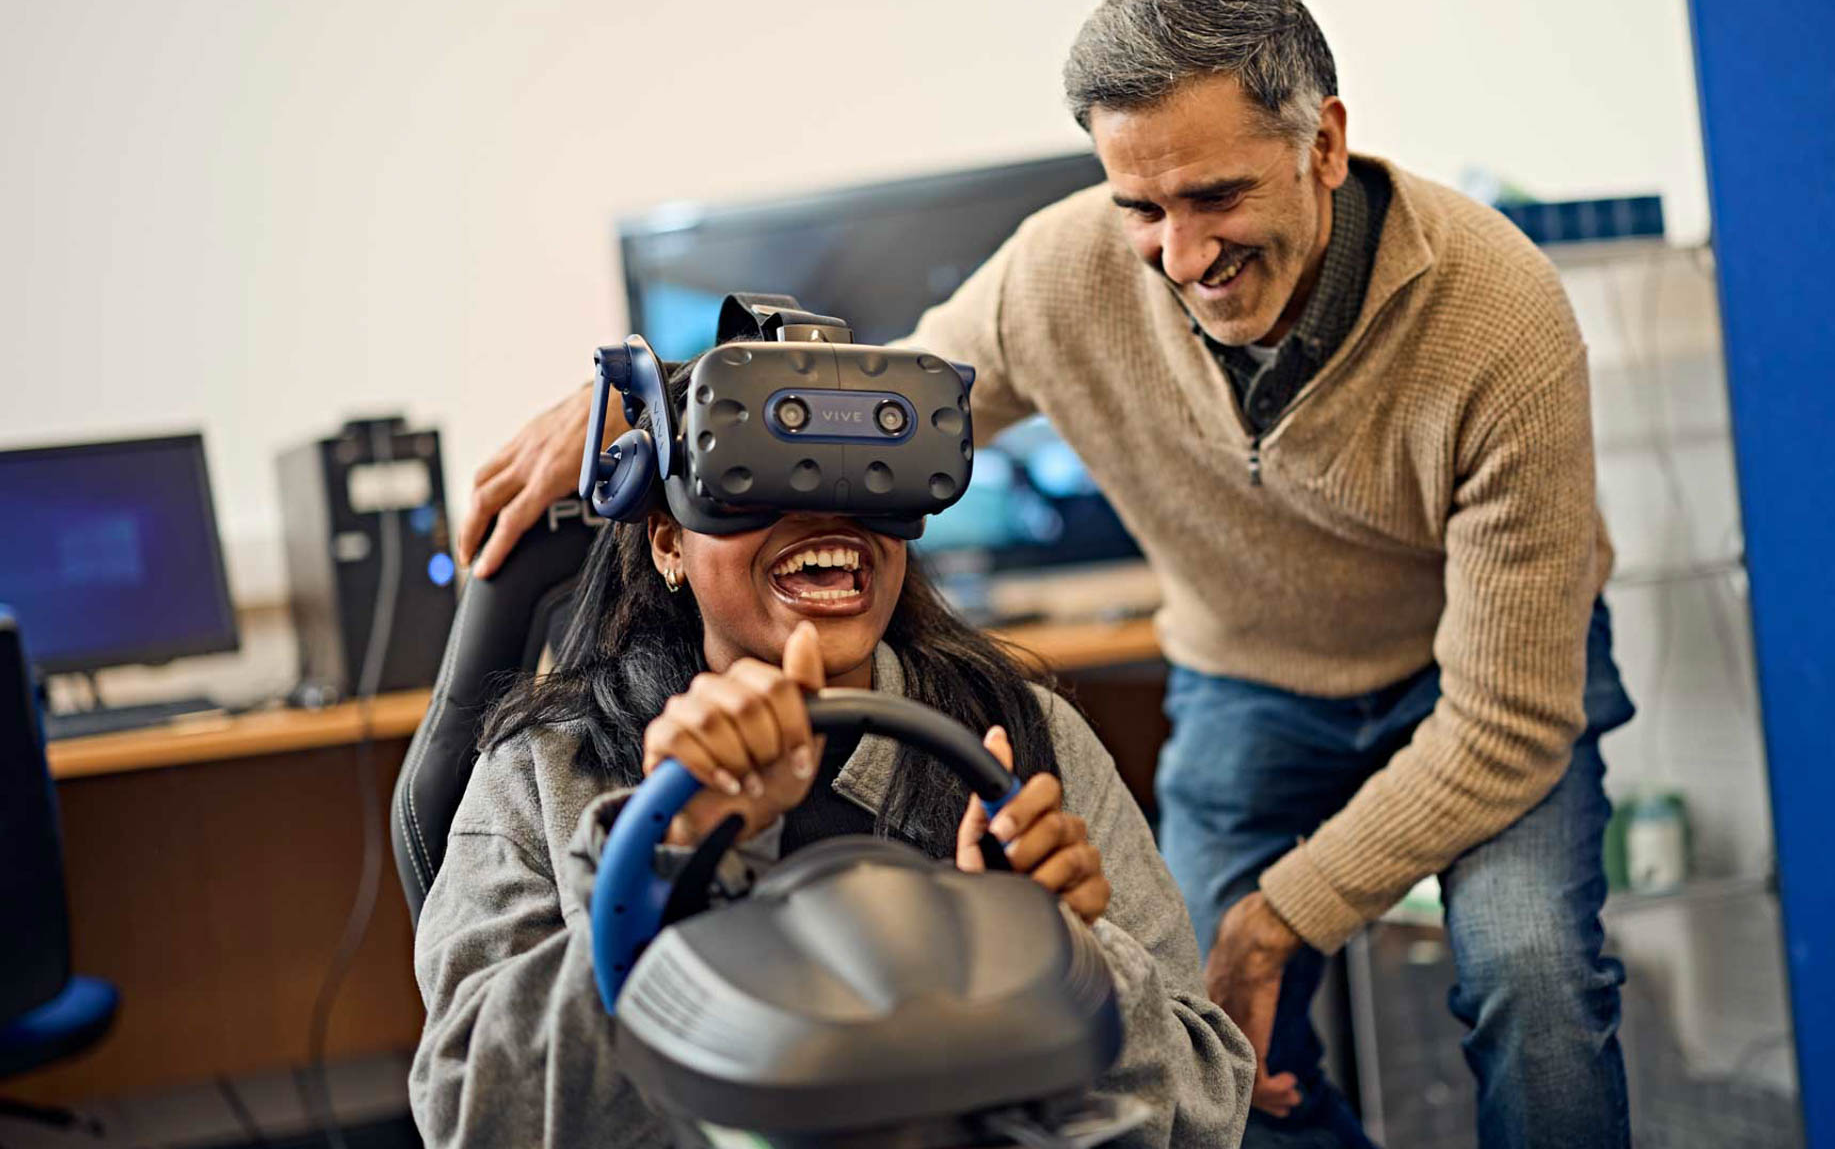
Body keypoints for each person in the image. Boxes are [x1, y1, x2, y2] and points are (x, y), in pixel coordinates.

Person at [457, 0, 1635, 1146]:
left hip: (1482, 686)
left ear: (1322, 142)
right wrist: (651, 408)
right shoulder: (545, 780)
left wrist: (1221, 931)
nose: (1181, 255)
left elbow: (1501, 723)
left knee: (1529, 981)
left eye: (1216, 194)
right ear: (665, 536)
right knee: (1256, 1057)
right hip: (1252, 670)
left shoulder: (1499, 321)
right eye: (1141, 208)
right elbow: (873, 406)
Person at [408, 342, 1256, 1148]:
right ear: (668, 540)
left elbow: (1205, 1115)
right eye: (758, 476)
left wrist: (1066, 957)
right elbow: (475, 1120)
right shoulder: (546, 773)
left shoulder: (1025, 742)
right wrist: (664, 869)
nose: (826, 512)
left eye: (864, 476)